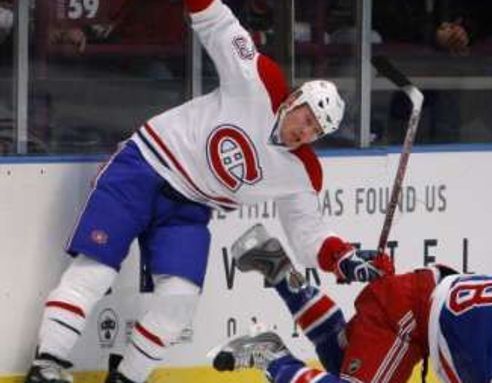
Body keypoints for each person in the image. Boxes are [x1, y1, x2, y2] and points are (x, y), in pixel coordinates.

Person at [23, 1, 394, 383]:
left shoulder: (302, 173)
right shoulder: (258, 80)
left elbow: (307, 239)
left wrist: (344, 258)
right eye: (306, 119)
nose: (305, 132)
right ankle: (47, 365)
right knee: (96, 270)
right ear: (294, 100)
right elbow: (217, 23)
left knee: (179, 301)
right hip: (143, 167)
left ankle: (127, 377)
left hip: (188, 209)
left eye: (316, 131)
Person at [214, 225, 492, 383]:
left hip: (421, 307)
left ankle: (281, 272)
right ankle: (272, 356)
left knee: (338, 359)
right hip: (409, 320)